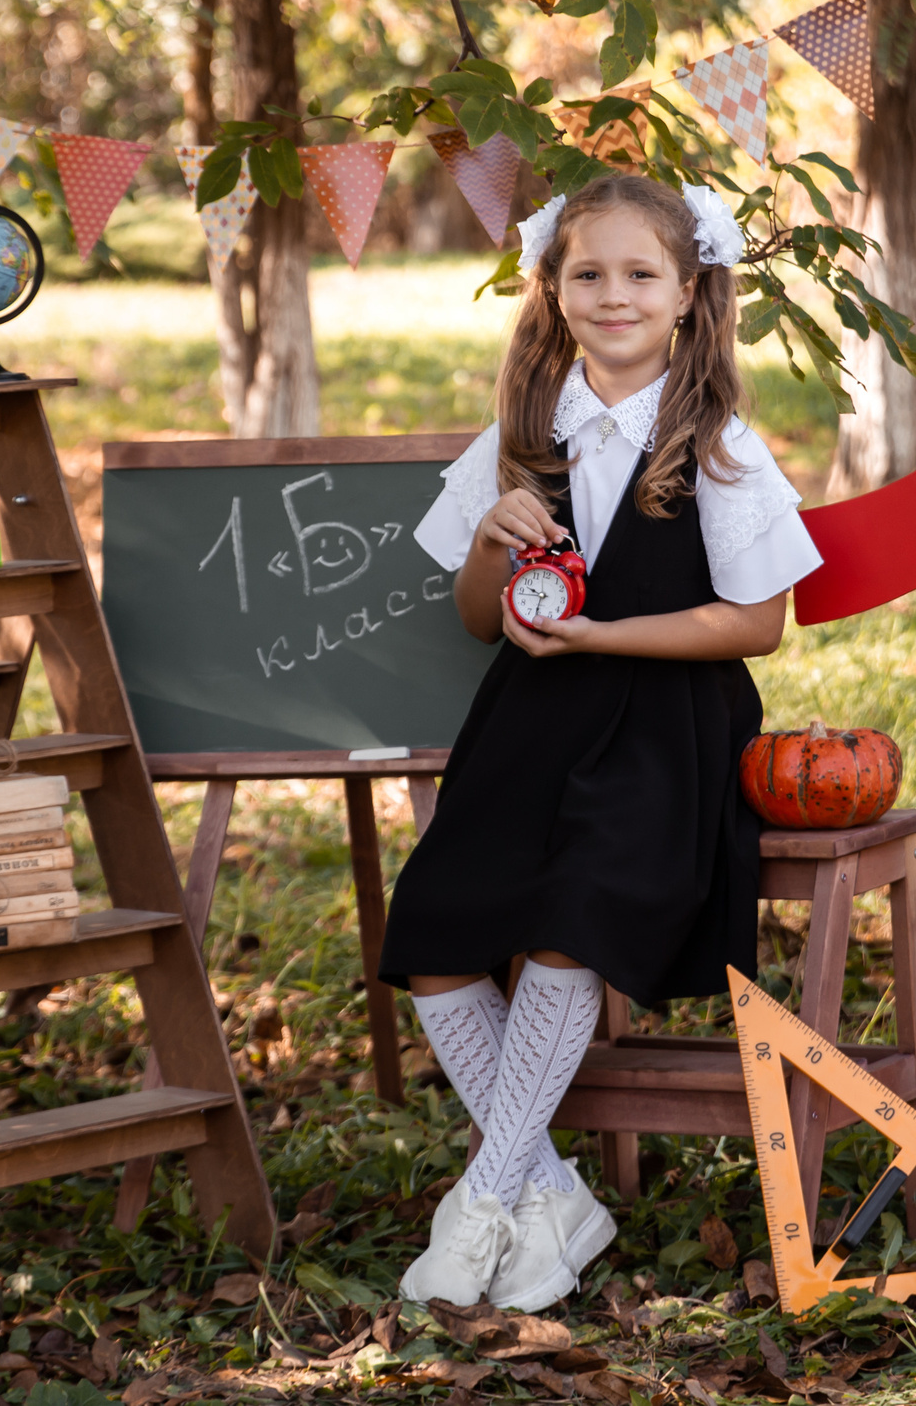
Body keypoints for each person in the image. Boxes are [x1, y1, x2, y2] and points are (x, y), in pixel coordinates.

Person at [380, 173, 824, 1311]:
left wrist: (599, 632)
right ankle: (542, 1188)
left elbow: (757, 624)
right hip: (529, 723)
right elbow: (481, 618)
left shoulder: (715, 443)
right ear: (552, 290)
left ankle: (483, 1203)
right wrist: (490, 541)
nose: (612, 294)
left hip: (665, 725)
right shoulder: (523, 438)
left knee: (578, 916)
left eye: (639, 275)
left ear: (686, 294)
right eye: (588, 274)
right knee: (431, 931)